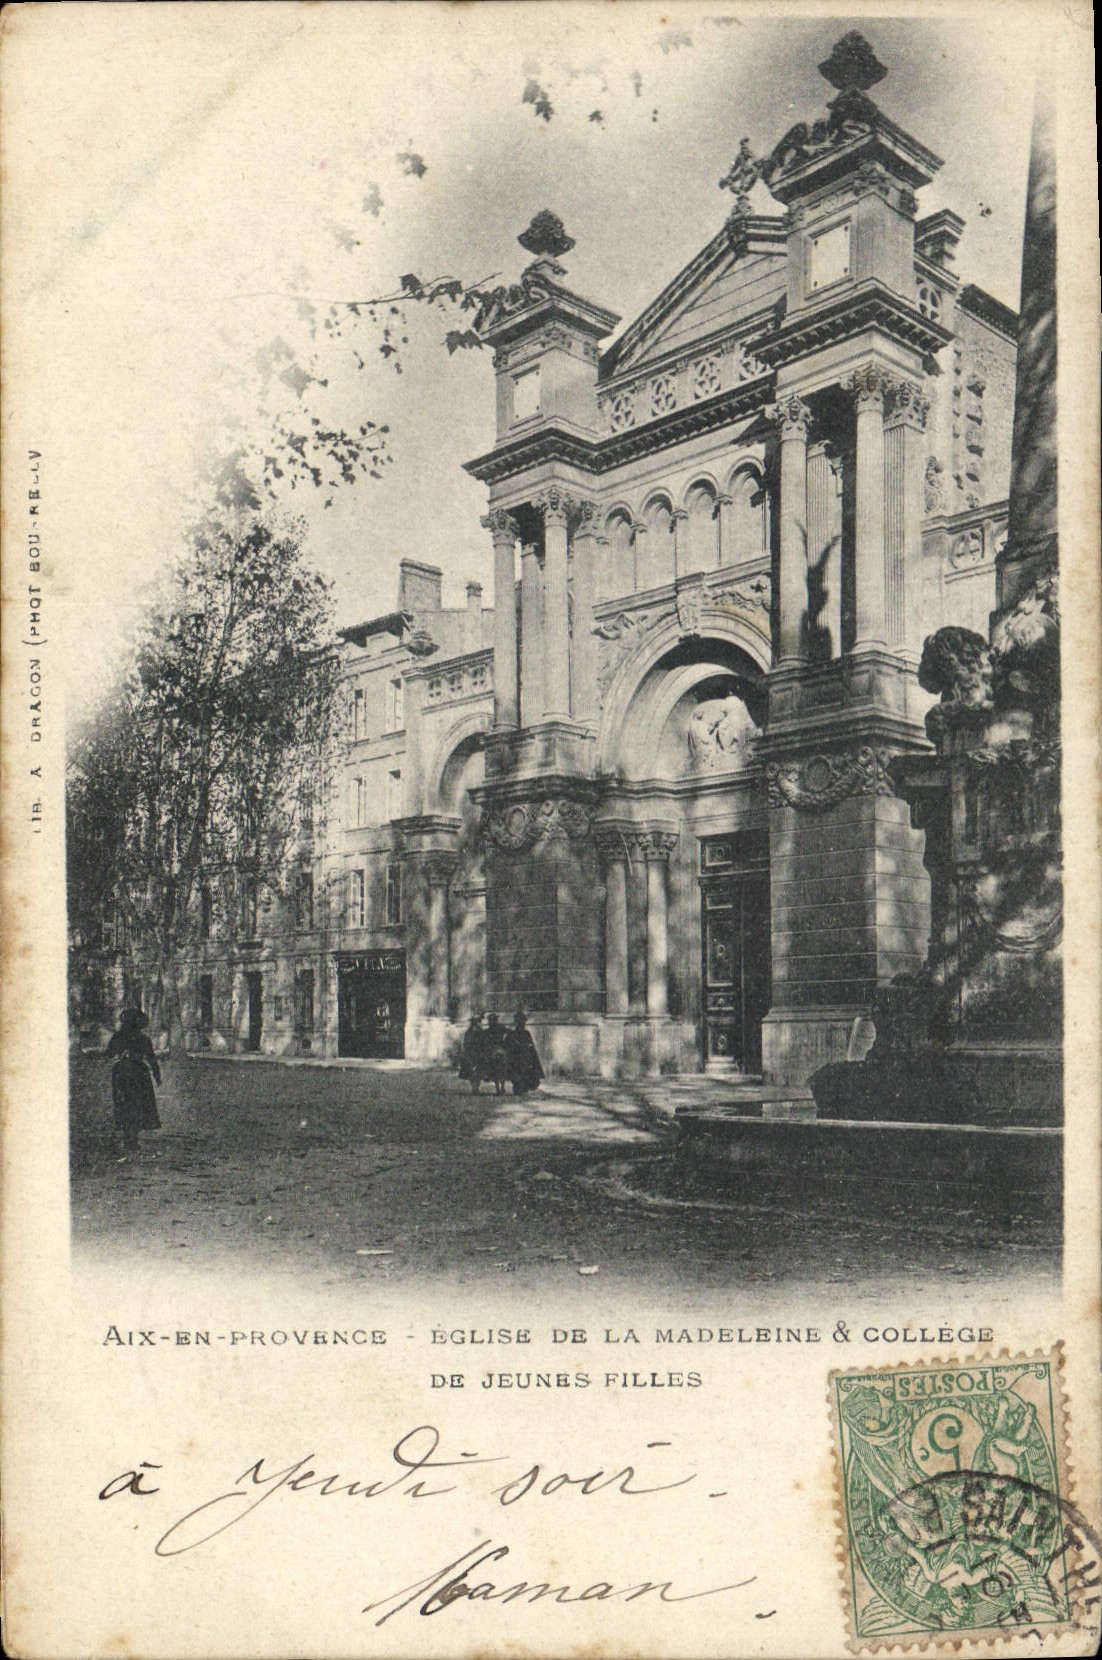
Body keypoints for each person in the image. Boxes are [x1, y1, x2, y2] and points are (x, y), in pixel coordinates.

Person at [105, 1008, 162, 1154]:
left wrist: (121, 1054)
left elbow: (109, 1054)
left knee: (124, 1103)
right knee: (137, 1104)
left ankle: (127, 1136)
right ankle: (133, 1138)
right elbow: (151, 1058)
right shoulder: (143, 1039)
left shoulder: (117, 1037)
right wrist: (157, 1075)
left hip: (121, 1073)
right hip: (139, 1074)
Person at [505, 1010, 544, 1096]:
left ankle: (523, 1086)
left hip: (525, 1059)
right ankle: (519, 1086)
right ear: (517, 1022)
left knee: (526, 1073)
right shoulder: (512, 1034)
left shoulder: (526, 1033)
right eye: (520, 1022)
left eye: (523, 1022)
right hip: (516, 1060)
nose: (522, 1024)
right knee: (517, 1073)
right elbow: (507, 1047)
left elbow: (531, 1047)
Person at [457, 1014, 484, 1087]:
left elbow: (483, 1042)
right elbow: (466, 1043)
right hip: (472, 1053)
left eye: (475, 1021)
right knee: (470, 1070)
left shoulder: (479, 1031)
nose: (474, 1023)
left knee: (477, 1070)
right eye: (474, 1022)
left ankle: (475, 1086)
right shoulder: (470, 1032)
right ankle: (474, 1086)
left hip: (477, 1053)